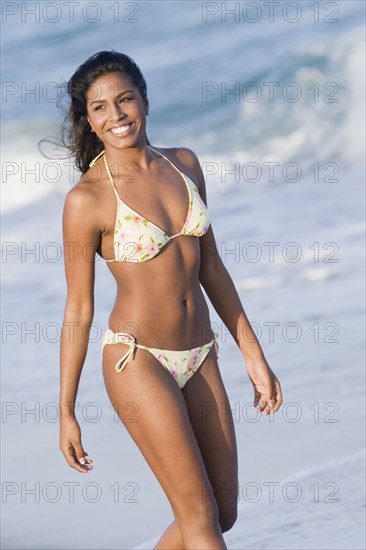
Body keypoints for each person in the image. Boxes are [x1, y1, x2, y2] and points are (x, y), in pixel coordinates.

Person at [59, 50, 283, 550]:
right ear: (88, 120)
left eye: (125, 99)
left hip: (200, 355)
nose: (116, 115)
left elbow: (211, 267)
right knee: (199, 516)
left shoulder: (183, 164)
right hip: (138, 360)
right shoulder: (87, 199)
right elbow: (78, 311)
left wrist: (252, 352)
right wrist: (66, 411)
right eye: (100, 108)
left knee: (219, 514)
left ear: (144, 100)